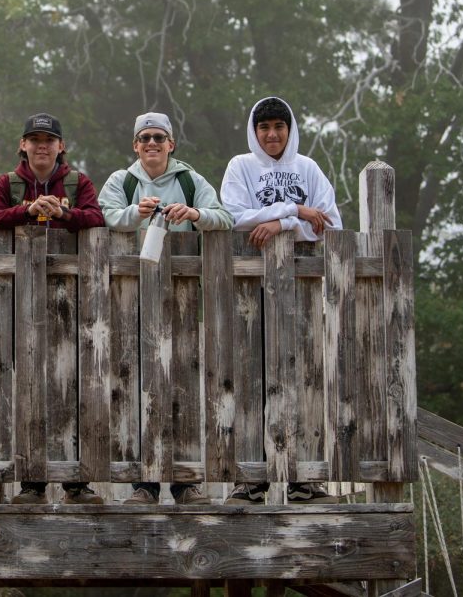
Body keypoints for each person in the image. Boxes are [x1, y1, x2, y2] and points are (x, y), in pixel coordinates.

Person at [98, 111, 232, 505]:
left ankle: (184, 482)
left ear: (171, 144)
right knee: (134, 383)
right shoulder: (121, 182)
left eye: (159, 137)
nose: (152, 144)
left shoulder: (191, 181)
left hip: (184, 299)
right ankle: (144, 484)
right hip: (130, 297)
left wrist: (193, 214)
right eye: (145, 138)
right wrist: (134, 213)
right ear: (135, 146)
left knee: (184, 385)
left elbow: (224, 217)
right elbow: (103, 216)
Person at [220, 95, 342, 504]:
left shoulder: (307, 168)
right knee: (251, 377)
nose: (272, 135)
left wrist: (279, 222)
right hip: (249, 287)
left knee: (305, 374)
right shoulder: (241, 166)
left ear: (290, 130)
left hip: (302, 288)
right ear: (254, 131)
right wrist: (296, 211)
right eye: (264, 127)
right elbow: (232, 216)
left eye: (279, 127)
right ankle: (251, 475)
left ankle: (305, 475)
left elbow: (330, 223)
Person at [0, 112, 105, 505]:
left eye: (49, 140)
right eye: (34, 139)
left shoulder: (77, 182)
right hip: (17, 295)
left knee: (72, 385)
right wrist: (30, 210)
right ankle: (31, 482)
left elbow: (97, 218)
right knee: (22, 385)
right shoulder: (7, 183)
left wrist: (64, 213)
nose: (41, 146)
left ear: (60, 146)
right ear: (23, 145)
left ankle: (76, 482)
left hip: (70, 296)